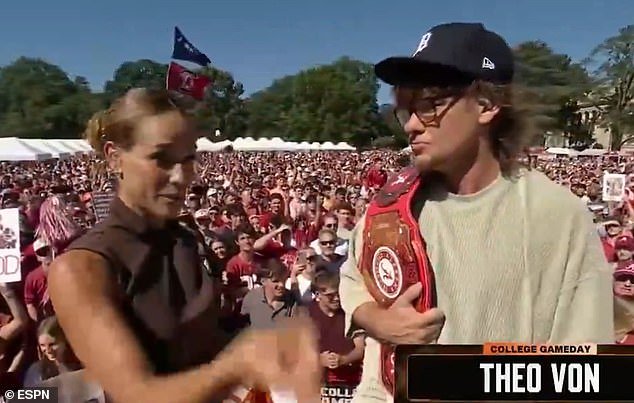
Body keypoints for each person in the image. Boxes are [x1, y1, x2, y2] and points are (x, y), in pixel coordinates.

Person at [339, 22, 613, 402]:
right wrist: (377, 319)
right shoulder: (393, 205)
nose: (412, 125)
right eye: (406, 109)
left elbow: (583, 370)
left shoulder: (558, 216)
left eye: (430, 105)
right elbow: (353, 280)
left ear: (486, 105)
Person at [47, 88, 319, 403]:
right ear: (114, 157)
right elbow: (137, 395)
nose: (180, 177)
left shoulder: (186, 239)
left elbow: (203, 347)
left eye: (188, 158)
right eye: (161, 158)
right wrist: (239, 364)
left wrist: (277, 345)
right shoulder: (82, 267)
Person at [23, 316, 82, 386]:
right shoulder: (36, 372)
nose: (48, 350)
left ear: (64, 341)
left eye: (52, 344)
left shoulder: (80, 364)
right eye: (42, 345)